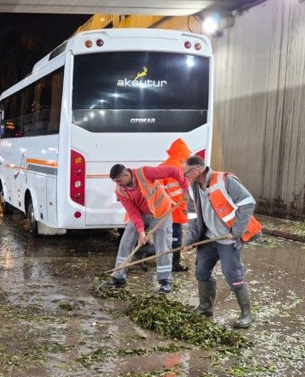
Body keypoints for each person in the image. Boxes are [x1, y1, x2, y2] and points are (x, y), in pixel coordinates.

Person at [181, 155, 262, 329]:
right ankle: (205, 307)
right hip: (208, 238)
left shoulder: (225, 181)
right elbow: (193, 218)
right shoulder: (192, 189)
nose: (184, 177)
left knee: (232, 275)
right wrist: (191, 240)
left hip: (227, 239)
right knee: (201, 271)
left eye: (186, 173)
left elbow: (248, 203)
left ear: (196, 170)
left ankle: (246, 314)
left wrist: (236, 231)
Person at [102, 163, 188, 294]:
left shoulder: (145, 173)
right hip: (141, 214)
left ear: (127, 175)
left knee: (163, 245)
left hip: (160, 212)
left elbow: (173, 170)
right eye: (115, 182)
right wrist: (141, 232)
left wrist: (185, 188)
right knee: (126, 241)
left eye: (119, 181)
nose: (118, 184)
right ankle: (119, 277)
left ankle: (165, 281)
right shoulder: (120, 190)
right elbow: (133, 212)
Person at [159, 138, 193, 273]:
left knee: (166, 238)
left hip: (165, 209)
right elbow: (181, 192)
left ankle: (170, 262)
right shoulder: (180, 168)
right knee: (175, 239)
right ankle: (174, 264)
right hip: (175, 210)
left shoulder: (163, 166)